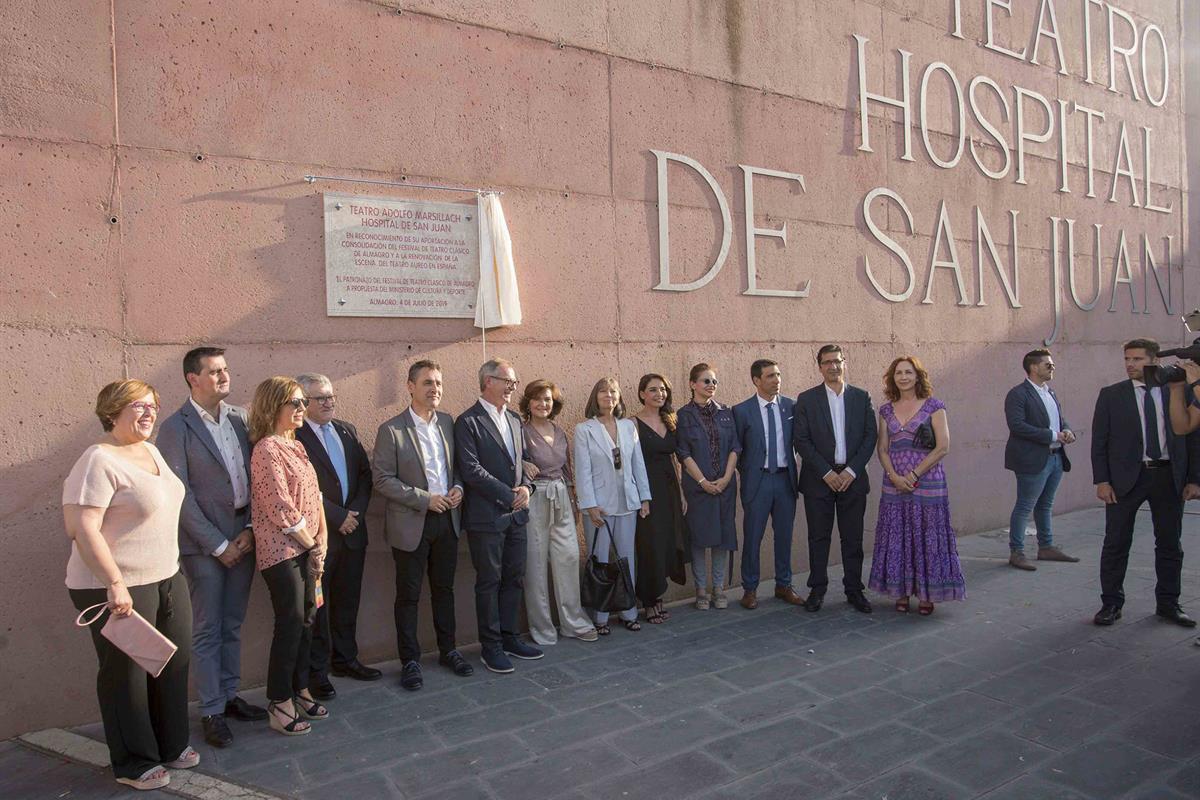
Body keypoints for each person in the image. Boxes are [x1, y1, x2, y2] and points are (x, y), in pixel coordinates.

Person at [64, 380, 197, 791]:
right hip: (115, 585)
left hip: (164, 575)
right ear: (112, 410)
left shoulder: (151, 451)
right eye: (137, 406)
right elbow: (81, 527)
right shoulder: (98, 459)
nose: (148, 413)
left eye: (153, 405)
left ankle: (171, 744)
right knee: (127, 675)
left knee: (173, 663)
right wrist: (115, 583)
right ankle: (134, 762)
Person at [157, 347, 265, 749]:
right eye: (214, 371)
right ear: (193, 378)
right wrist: (218, 544)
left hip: (243, 532)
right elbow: (179, 494)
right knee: (207, 628)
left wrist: (252, 528)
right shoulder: (175, 428)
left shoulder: (240, 418)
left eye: (225, 369)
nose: (223, 376)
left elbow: (258, 478)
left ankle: (230, 696)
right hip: (204, 544)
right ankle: (211, 711)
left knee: (233, 622)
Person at [374, 360, 474, 690]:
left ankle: (449, 650)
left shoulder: (447, 423)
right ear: (410, 387)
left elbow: (457, 467)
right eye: (428, 383)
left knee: (444, 590)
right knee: (409, 595)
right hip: (411, 524)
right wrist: (424, 498)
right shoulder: (392, 429)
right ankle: (410, 660)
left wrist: (458, 487)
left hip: (447, 520)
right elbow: (382, 480)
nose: (435, 389)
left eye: (439, 383)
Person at [1091, 339, 1200, 627]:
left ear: (1154, 361)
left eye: (1138, 359)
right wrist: (1102, 480)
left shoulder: (1178, 389)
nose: (1130, 364)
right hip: (1126, 479)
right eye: (1127, 358)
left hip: (1168, 476)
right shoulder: (1111, 395)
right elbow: (1099, 442)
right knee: (1115, 542)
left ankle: (1168, 603)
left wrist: (1193, 479)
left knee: (1169, 544)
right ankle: (1111, 604)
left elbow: (1192, 437)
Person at [248, 377, 329, 736]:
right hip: (282, 551)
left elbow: (316, 497)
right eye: (293, 403)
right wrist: (312, 542)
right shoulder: (266, 449)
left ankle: (300, 688)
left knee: (309, 617)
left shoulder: (296, 446)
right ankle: (279, 700)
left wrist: (322, 537)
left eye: (302, 402)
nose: (301, 408)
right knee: (292, 618)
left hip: (310, 546)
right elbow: (280, 506)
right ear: (272, 406)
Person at [293, 373, 379, 700]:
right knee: (318, 605)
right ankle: (317, 672)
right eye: (320, 398)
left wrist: (353, 514)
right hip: (318, 537)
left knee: (347, 600)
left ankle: (345, 659)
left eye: (331, 396)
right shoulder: (295, 437)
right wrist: (338, 517)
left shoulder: (345, 430)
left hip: (353, 534)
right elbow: (303, 490)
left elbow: (363, 476)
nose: (328, 402)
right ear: (303, 402)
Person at [455, 358, 542, 673]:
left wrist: (527, 489)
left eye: (515, 382)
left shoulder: (517, 420)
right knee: (489, 582)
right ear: (487, 381)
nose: (512, 387)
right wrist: (509, 494)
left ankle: (509, 638)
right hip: (486, 518)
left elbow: (526, 461)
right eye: (508, 381)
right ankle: (489, 647)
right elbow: (471, 470)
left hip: (517, 516)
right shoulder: (468, 422)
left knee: (513, 579)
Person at [868, 355, 965, 615]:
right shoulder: (886, 410)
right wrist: (894, 476)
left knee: (926, 536)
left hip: (927, 483)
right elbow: (882, 448)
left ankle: (926, 594)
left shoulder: (934, 406)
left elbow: (943, 446)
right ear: (892, 378)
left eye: (908, 372)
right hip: (894, 484)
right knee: (897, 535)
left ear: (918, 375)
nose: (903, 377)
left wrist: (913, 475)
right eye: (898, 373)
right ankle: (900, 592)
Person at [793, 345, 877, 614]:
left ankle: (854, 590)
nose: (833, 366)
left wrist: (850, 471)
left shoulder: (861, 398)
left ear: (844, 363)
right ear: (819, 367)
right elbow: (801, 441)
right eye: (827, 362)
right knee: (819, 538)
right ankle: (817, 590)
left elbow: (869, 437)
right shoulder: (806, 399)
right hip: (819, 480)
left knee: (852, 539)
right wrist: (827, 473)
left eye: (837, 361)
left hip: (852, 479)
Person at [519, 379, 598, 643]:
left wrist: (574, 501)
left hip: (561, 495)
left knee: (568, 557)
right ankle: (542, 628)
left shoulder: (560, 431)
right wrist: (521, 463)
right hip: (535, 497)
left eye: (548, 400)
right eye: (538, 399)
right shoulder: (520, 431)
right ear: (528, 402)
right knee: (536, 563)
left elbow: (567, 471)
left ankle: (572, 622)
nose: (543, 404)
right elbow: (506, 458)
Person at [575, 377, 652, 633]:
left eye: (613, 391)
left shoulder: (629, 426)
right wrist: (589, 505)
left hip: (627, 502)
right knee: (599, 560)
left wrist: (644, 497)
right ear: (595, 397)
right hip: (599, 507)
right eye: (603, 391)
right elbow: (582, 471)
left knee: (626, 558)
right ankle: (600, 617)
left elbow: (638, 463)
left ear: (619, 397)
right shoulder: (585, 430)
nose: (609, 395)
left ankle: (629, 612)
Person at [732, 359, 802, 610]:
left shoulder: (791, 406)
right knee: (753, 537)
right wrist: (752, 472)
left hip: (785, 480)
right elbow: (737, 451)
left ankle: (784, 584)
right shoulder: (741, 411)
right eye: (770, 376)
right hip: (758, 481)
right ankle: (750, 589)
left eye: (779, 374)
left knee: (784, 535)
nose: (777, 380)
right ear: (756, 380)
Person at [1003, 349, 1079, 571]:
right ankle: (1016, 551)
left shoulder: (1050, 392)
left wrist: (1067, 430)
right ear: (1033, 367)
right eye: (1048, 364)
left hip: (1055, 457)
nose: (1052, 367)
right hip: (1032, 460)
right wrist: (1053, 435)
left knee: (1045, 505)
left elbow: (1059, 419)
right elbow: (1017, 426)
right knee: (1025, 506)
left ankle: (1046, 547)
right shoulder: (1018, 394)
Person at [677, 364, 740, 610]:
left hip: (724, 486)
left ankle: (719, 588)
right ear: (693, 384)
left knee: (722, 539)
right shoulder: (683, 415)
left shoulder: (726, 412)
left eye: (714, 381)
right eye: (705, 381)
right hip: (697, 488)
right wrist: (702, 481)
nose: (711, 385)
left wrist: (725, 478)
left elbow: (736, 447)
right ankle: (701, 589)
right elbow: (683, 452)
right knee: (699, 539)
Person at [633, 373, 689, 624]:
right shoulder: (632, 423)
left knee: (667, 543)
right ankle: (649, 601)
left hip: (670, 492)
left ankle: (659, 597)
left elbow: (675, 460)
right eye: (653, 390)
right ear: (642, 393)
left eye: (663, 389)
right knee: (649, 546)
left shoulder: (671, 420)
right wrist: (640, 496)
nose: (659, 394)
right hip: (647, 492)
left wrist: (682, 493)